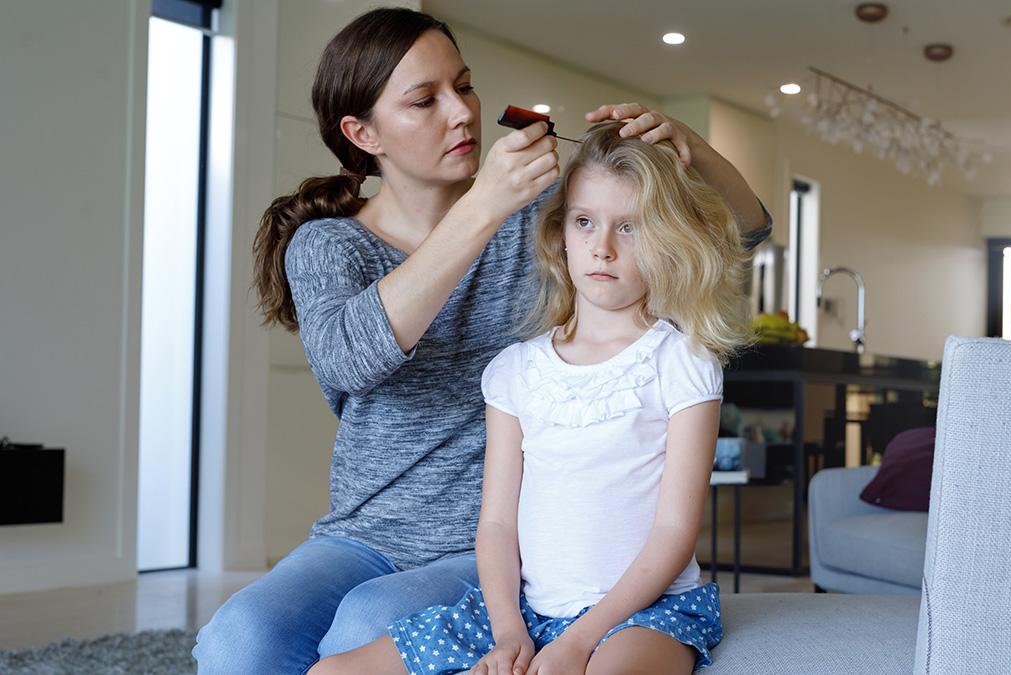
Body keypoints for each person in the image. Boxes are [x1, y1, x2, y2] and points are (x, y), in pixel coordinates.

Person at [193, 6, 771, 673]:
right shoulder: (331, 244)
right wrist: (481, 206)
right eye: (424, 100)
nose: (462, 112)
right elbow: (349, 358)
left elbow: (744, 231)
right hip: (361, 534)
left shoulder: (537, 217)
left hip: (495, 539)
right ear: (362, 132)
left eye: (463, 86)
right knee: (238, 639)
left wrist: (691, 147)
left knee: (367, 622)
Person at [309, 121, 753, 675]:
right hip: (524, 611)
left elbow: (673, 532)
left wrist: (577, 643)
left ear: (665, 239)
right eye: (585, 222)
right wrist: (508, 634)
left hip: (645, 614)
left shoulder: (682, 362)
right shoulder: (514, 371)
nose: (603, 248)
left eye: (631, 228)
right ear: (559, 233)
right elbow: (495, 525)